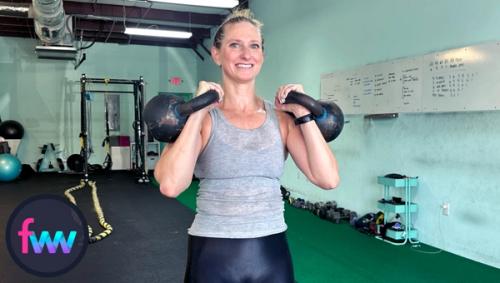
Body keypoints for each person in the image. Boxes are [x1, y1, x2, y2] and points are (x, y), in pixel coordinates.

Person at [154, 9, 339, 283]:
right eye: (234, 45)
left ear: (262, 55)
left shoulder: (283, 120)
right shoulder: (205, 121)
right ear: (216, 54)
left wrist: (303, 113)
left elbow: (328, 178)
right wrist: (197, 109)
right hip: (213, 253)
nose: (246, 54)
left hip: (271, 253)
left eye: (254, 46)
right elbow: (171, 185)